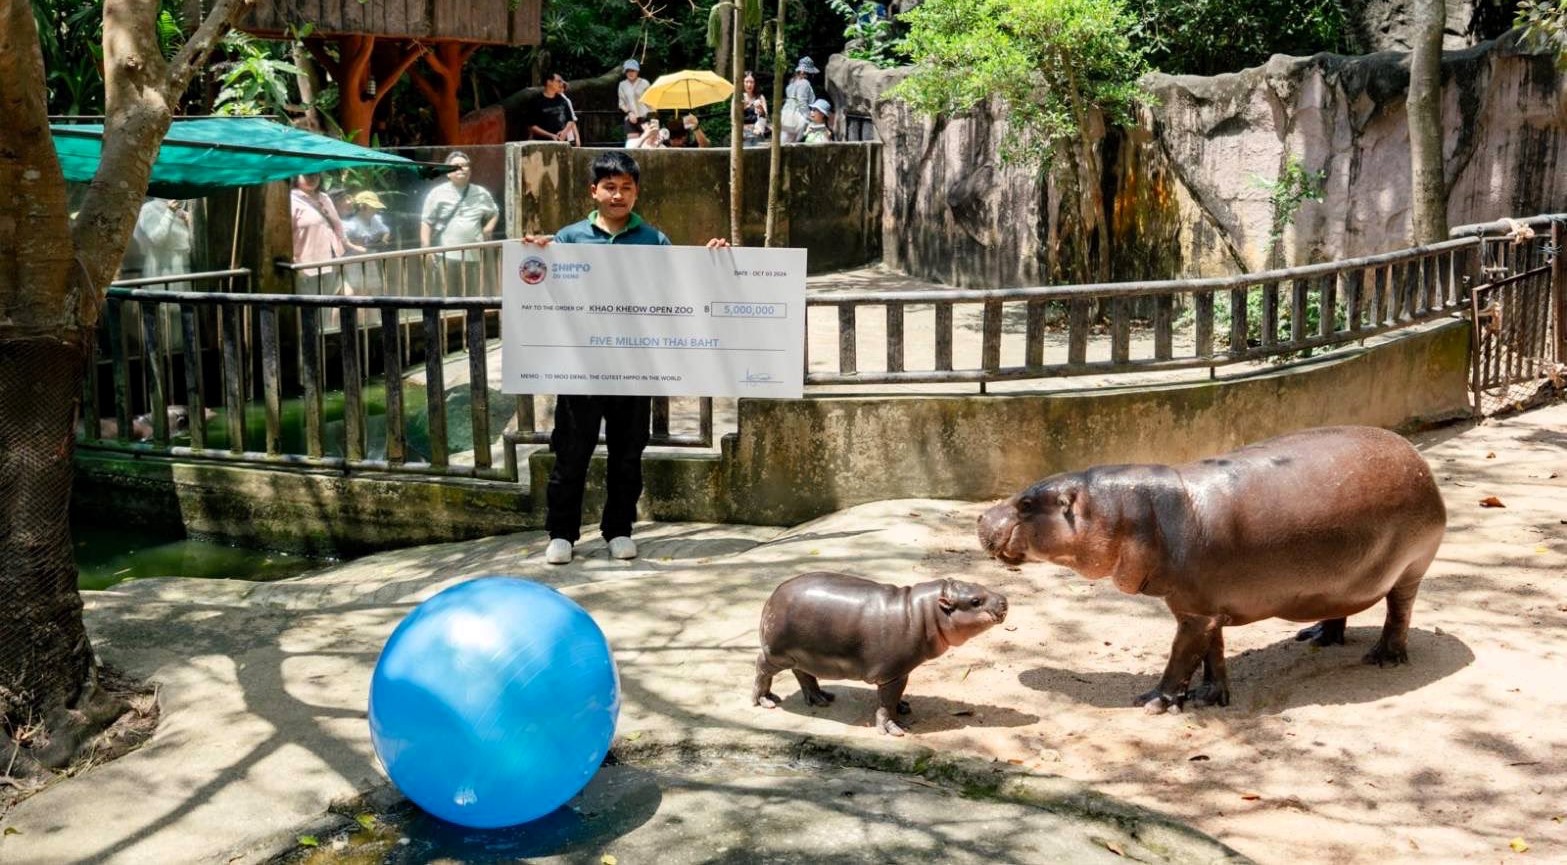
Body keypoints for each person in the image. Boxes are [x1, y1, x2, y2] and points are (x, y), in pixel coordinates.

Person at [520, 151, 729, 565]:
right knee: (571, 453)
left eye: (626, 188)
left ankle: (618, 529)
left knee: (628, 454)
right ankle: (562, 533)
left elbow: (682, 286)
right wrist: (537, 253)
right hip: (581, 367)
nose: (618, 195)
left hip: (635, 367)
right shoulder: (569, 239)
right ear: (593, 191)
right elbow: (543, 290)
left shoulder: (653, 240)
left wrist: (712, 259)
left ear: (636, 193)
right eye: (610, 187)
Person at [420, 151, 499, 295]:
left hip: (473, 255)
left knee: (473, 295)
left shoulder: (481, 193)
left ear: (470, 170)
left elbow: (494, 212)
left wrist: (489, 227)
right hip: (446, 255)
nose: (461, 169)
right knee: (447, 295)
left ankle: (473, 318)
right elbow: (426, 222)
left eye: (464, 166)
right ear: (447, 173)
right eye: (456, 166)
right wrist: (426, 248)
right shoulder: (437, 193)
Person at [290, 172, 348, 293]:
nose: (312, 178)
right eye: (307, 175)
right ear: (297, 177)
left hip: (331, 260)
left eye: (315, 175)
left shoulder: (324, 197)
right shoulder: (291, 199)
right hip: (306, 266)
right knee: (309, 306)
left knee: (327, 305)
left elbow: (337, 224)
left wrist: (341, 252)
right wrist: (294, 263)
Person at [132, 196, 194, 289]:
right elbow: (157, 239)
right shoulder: (149, 208)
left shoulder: (178, 210)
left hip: (181, 266)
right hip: (162, 268)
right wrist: (170, 212)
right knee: (166, 300)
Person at [527, 73, 579, 145]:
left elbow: (570, 120)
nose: (561, 84)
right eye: (559, 81)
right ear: (549, 82)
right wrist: (551, 135)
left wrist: (564, 132)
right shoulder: (536, 101)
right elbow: (532, 126)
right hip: (543, 144)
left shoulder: (563, 100)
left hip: (562, 143)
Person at [780, 56, 818, 144]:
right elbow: (802, 102)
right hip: (797, 118)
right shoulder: (804, 83)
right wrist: (810, 118)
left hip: (786, 114)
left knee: (783, 143)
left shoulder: (792, 81)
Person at [617, 59, 652, 140]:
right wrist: (629, 113)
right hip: (631, 118)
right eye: (628, 71)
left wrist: (652, 116)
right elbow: (621, 103)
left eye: (633, 70)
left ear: (637, 71)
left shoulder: (645, 83)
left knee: (647, 143)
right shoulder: (622, 85)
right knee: (632, 143)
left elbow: (650, 101)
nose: (630, 73)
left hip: (645, 117)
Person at [740, 70, 768, 146]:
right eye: (746, 82)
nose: (749, 85)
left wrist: (761, 108)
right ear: (742, 83)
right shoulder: (739, 97)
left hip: (757, 132)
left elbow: (765, 116)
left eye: (751, 82)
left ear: (755, 83)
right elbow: (733, 117)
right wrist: (743, 107)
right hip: (742, 135)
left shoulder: (760, 97)